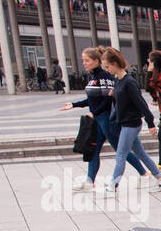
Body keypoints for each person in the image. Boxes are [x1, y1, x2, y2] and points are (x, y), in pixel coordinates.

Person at [59, 46, 147, 189]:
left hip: (106, 119)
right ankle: (89, 181)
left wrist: (95, 112)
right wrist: (74, 105)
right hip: (98, 119)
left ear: (96, 61)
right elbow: (93, 99)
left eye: (87, 60)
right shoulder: (93, 76)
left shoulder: (104, 76)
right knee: (93, 149)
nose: (84, 63)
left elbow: (107, 100)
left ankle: (143, 174)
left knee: (120, 150)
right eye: (83, 61)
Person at [98, 47, 161, 191]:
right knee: (140, 153)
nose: (106, 69)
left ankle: (113, 185)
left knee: (121, 155)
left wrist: (150, 123)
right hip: (125, 123)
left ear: (115, 63)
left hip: (131, 124)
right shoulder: (119, 81)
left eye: (107, 66)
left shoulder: (129, 82)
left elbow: (141, 104)